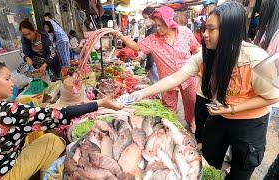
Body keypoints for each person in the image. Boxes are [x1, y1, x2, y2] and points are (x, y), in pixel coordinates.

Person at [129, 2, 279, 179]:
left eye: (211, 29)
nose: (204, 35)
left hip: (250, 123)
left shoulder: (255, 59)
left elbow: (272, 97)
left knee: (242, 168)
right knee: (207, 160)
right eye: (204, 29)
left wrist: (232, 109)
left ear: (229, 31)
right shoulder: (205, 56)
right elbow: (175, 78)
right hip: (219, 116)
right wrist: (140, 94)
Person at [0, 57, 122, 179]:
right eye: (7, 79)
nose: (12, 84)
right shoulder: (5, 110)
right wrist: (100, 103)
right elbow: (60, 115)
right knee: (53, 140)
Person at [114, 6, 200, 132]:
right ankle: (171, 129)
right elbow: (136, 47)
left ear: (169, 23)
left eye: (160, 25)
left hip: (188, 78)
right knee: (169, 110)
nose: (157, 28)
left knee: (192, 103)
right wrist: (120, 36)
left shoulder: (185, 32)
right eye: (156, 25)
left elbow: (196, 49)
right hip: (167, 83)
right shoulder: (153, 39)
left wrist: (200, 69)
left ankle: (192, 123)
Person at [254, 0, 279, 179]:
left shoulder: (267, 34)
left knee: (255, 127)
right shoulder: (267, 34)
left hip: (264, 92)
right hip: (268, 92)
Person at [142, 6, 159, 84]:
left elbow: (152, 50)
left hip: (154, 62)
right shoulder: (152, 28)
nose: (145, 20)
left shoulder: (154, 30)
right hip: (154, 61)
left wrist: (148, 66)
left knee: (156, 83)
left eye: (145, 18)